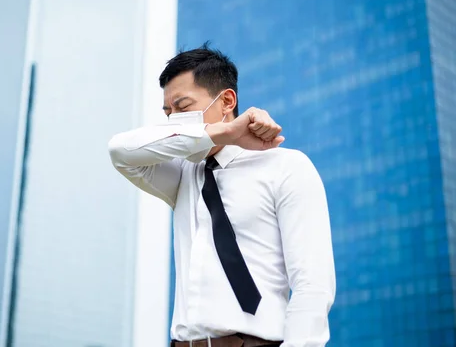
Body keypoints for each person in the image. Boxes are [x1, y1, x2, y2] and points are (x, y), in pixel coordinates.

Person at [108, 44, 335, 347]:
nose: (174, 119)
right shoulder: (181, 175)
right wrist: (221, 133)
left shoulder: (286, 167)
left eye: (183, 106)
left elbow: (312, 285)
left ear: (226, 100)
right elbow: (121, 151)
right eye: (168, 112)